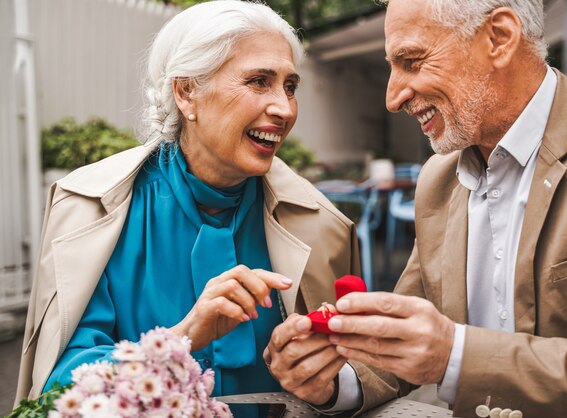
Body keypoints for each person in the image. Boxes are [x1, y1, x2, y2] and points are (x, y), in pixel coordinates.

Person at [267, 0, 567, 417]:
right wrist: (330, 380)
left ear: (500, 38)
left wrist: (454, 355)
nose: (392, 97)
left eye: (412, 61)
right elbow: (404, 345)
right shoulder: (438, 179)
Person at [15, 1, 362, 414]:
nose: (285, 109)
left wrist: (322, 383)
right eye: (258, 81)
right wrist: (182, 337)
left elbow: (360, 373)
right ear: (186, 92)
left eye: (290, 86)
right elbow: (60, 389)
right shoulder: (95, 210)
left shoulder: (323, 225)